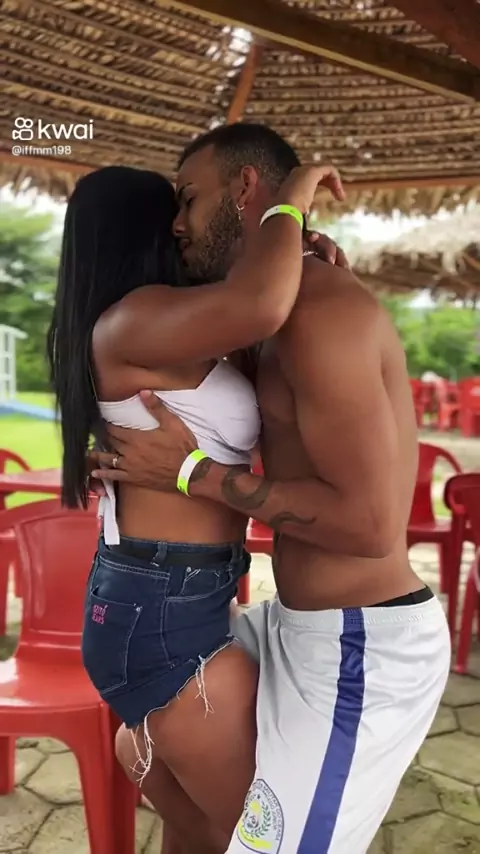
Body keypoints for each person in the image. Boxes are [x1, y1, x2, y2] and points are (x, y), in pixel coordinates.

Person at [92, 123, 451, 854]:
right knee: (146, 753)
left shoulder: (321, 313)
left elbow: (370, 528)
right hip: (300, 626)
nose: (177, 223)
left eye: (189, 198)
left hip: (361, 645)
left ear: (245, 188)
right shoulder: (276, 317)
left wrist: (191, 474)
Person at [48, 159, 345, 854]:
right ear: (147, 231)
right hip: (166, 615)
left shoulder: (162, 332)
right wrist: (291, 200)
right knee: (278, 841)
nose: (186, 225)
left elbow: (263, 320)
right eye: (176, 211)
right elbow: (261, 305)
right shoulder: (134, 320)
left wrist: (302, 259)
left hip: (172, 600)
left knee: (206, 836)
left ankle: (150, 744)